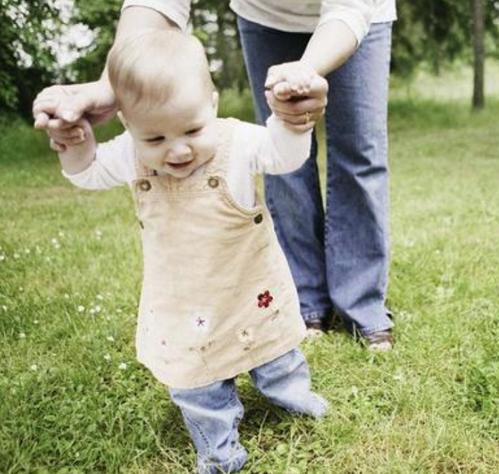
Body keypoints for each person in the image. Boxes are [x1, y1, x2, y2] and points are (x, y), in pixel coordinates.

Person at [33, 0, 396, 351]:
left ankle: (361, 305)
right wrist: (108, 87)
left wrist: (304, 72)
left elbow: (349, 8)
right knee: (283, 160)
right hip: (265, 14)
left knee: (359, 150)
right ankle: (305, 302)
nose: (177, 149)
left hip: (356, 13)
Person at [48, 29, 328, 473]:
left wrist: (291, 125)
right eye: (154, 139)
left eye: (193, 130)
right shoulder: (131, 155)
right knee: (196, 383)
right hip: (182, 301)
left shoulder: (235, 142)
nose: (177, 149)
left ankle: (295, 399)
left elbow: (284, 157)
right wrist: (78, 148)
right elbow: (89, 174)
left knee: (276, 352)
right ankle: (219, 451)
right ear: (127, 123)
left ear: (212, 106)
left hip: (249, 287)